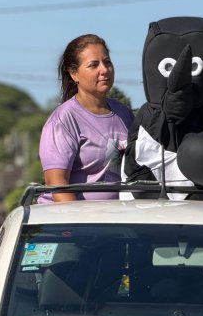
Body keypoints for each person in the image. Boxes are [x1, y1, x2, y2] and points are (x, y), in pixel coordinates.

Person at [38, 34, 134, 203]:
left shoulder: (125, 114)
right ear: (74, 73)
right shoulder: (63, 120)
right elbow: (57, 186)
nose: (104, 70)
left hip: (118, 215)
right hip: (72, 217)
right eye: (93, 65)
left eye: (107, 62)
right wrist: (81, 219)